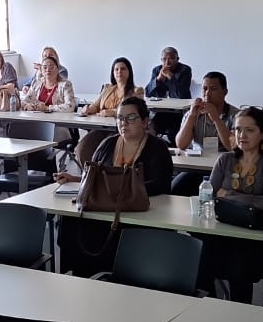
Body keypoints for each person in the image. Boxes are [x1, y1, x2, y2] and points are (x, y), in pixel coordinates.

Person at [54, 97, 174, 277]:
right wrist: (76, 179)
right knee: (72, 219)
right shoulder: (107, 144)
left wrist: (121, 190)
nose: (124, 123)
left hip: (140, 212)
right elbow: (93, 175)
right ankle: (83, 276)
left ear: (144, 122)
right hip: (105, 208)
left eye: (130, 118)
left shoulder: (158, 148)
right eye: (119, 118)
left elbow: (160, 185)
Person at [196, 107, 263, 302]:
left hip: (255, 237)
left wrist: (228, 194)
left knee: (239, 261)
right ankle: (206, 299)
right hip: (224, 229)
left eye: (249, 130)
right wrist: (247, 199)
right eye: (237, 129)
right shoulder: (225, 159)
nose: (241, 135)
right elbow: (210, 196)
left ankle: (240, 310)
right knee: (198, 249)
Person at [171, 72, 238, 195]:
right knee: (175, 188)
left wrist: (216, 119)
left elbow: (232, 147)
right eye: (204, 89)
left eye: (213, 89)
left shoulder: (235, 115)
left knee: (215, 194)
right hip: (197, 165)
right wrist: (192, 116)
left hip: (225, 168)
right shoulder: (193, 112)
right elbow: (181, 144)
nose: (207, 93)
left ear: (225, 92)